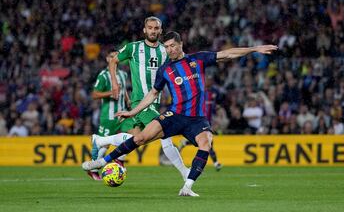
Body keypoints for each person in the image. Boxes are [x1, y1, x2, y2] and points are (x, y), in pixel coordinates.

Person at [82, 31, 277, 196]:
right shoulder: (165, 70)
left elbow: (227, 54)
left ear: (181, 44)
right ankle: (101, 161)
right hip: (174, 115)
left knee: (206, 143)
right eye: (166, 47)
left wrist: (254, 49)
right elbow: (152, 95)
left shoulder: (197, 59)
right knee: (140, 138)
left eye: (172, 46)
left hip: (196, 119)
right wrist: (132, 111)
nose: (169, 50)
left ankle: (187, 186)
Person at [107, 16, 189, 180]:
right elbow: (113, 61)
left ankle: (101, 142)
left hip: (155, 102)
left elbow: (181, 63)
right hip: (140, 102)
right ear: (144, 30)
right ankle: (185, 172)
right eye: (150, 28)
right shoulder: (134, 48)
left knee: (137, 138)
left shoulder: (165, 50)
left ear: (160, 30)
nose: (153, 31)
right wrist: (115, 84)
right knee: (165, 133)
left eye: (156, 28)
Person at [87, 51, 135, 180]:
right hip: (108, 116)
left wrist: (127, 100)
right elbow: (94, 94)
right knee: (104, 145)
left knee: (134, 137)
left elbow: (123, 89)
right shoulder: (103, 76)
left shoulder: (123, 74)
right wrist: (110, 92)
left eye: (116, 56)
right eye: (112, 56)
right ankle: (93, 169)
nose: (115, 58)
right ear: (107, 59)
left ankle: (120, 159)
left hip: (123, 114)